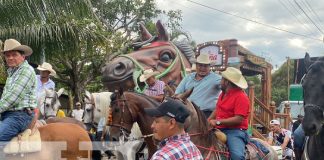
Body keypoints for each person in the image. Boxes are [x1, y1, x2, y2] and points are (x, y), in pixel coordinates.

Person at [208, 67, 250, 160]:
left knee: (237, 157)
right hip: (219, 129)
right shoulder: (222, 94)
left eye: (222, 79)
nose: (220, 81)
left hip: (235, 131)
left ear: (227, 82)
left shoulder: (241, 97)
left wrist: (217, 122)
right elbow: (217, 109)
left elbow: (239, 119)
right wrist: (208, 121)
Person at [0, 39, 36, 142]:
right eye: (7, 55)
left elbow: (13, 97)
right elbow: (5, 97)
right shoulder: (12, 72)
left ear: (23, 56)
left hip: (20, 116)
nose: (10, 58)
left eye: (14, 55)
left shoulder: (26, 70)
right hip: (8, 114)